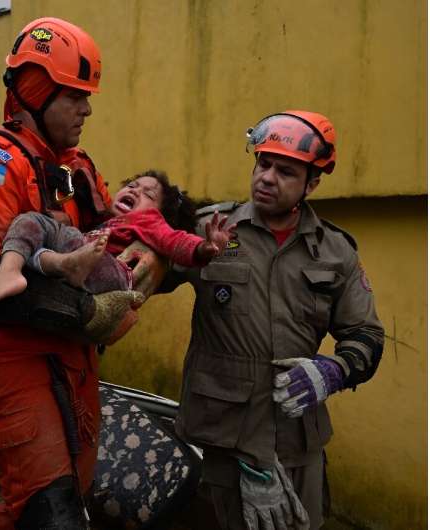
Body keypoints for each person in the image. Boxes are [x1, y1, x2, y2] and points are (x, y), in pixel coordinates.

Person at [0, 17, 138, 529]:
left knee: (66, 497)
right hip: (9, 359)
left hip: (73, 360)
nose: (87, 108)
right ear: (35, 89)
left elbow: (116, 242)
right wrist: (95, 312)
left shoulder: (75, 169)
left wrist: (160, 250)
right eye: (74, 95)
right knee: (49, 512)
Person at [161, 110, 384, 530]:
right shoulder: (210, 227)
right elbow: (143, 278)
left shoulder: (335, 252)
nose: (267, 177)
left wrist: (333, 370)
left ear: (311, 184)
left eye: (285, 171)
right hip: (224, 439)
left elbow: (366, 335)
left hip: (297, 440)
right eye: (263, 164)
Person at [0, 170, 235, 316]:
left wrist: (204, 248)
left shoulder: (148, 221)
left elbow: (175, 241)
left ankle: (52, 265)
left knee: (54, 232)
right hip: (83, 272)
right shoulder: (105, 224)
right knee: (35, 231)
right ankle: (26, 269)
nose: (135, 190)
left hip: (112, 275)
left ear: (159, 213)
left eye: (148, 193)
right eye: (132, 184)